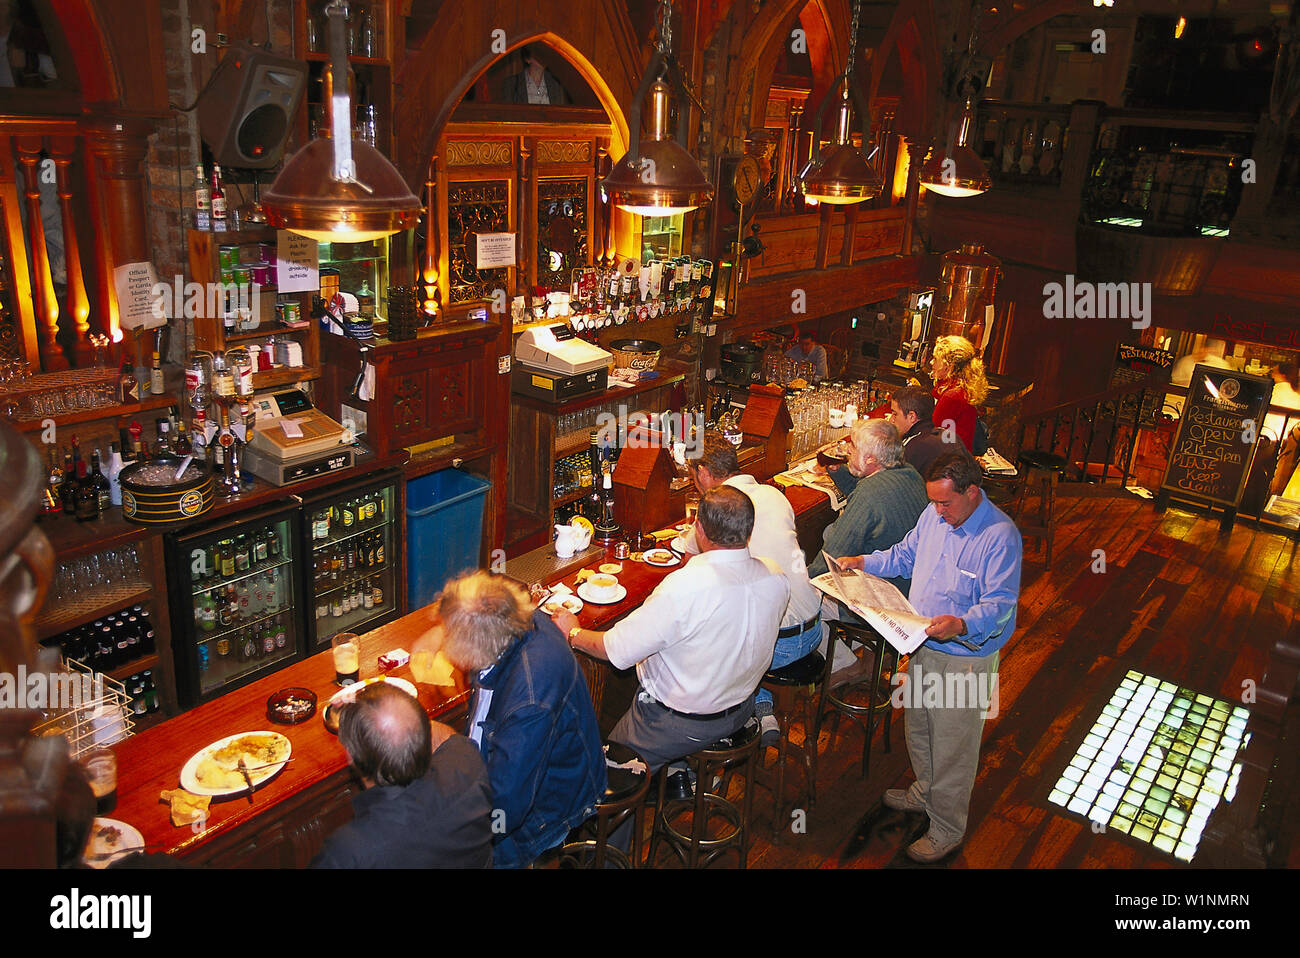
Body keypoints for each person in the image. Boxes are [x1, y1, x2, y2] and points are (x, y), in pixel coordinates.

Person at [837, 452, 1021, 863]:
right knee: (919, 726)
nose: (938, 511)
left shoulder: (999, 535)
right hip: (921, 640)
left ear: (972, 492)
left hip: (965, 656)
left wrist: (960, 623)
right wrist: (863, 563)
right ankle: (925, 790)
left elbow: (1000, 603)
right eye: (934, 502)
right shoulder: (933, 515)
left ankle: (947, 828)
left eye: (945, 503)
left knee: (954, 744)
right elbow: (903, 554)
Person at [552, 486, 788, 786]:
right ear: (748, 531)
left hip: (678, 724)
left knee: (601, 777)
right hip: (741, 708)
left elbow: (614, 651)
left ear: (699, 529)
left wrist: (571, 632)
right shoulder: (776, 575)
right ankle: (682, 775)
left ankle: (614, 821)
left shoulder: (685, 587)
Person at [438, 570, 605, 868]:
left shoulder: (528, 701)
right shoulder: (520, 619)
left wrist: (461, 840)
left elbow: (506, 809)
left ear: (477, 650)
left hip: (547, 811)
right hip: (522, 781)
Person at [680, 432, 822, 745]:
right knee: (746, 610)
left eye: (692, 474)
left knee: (706, 640)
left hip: (780, 646)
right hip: (814, 627)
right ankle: (762, 707)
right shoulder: (774, 495)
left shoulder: (715, 509)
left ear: (704, 472)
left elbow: (688, 567)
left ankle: (715, 740)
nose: (694, 482)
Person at [311, 683, 493, 868]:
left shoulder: (350, 850)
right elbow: (449, 739)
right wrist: (403, 723)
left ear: (350, 754)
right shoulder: (467, 760)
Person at [929, 335, 989, 453]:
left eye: (935, 359)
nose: (931, 362)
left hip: (949, 459)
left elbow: (932, 432)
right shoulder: (959, 388)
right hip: (957, 455)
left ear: (948, 366)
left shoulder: (952, 396)